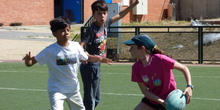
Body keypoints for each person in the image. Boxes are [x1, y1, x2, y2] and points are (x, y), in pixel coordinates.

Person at [22, 17, 108, 110]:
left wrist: (99, 58)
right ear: (54, 33)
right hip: (57, 89)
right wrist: (27, 60)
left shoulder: (76, 46)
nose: (66, 33)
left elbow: (87, 58)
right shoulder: (50, 50)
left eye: (68, 30)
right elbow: (30, 63)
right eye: (62, 31)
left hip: (73, 90)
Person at [79, 0, 139, 109]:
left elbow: (121, 14)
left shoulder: (105, 24)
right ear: (93, 15)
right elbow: (81, 45)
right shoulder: (91, 30)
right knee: (90, 100)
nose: (102, 16)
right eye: (99, 13)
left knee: (96, 99)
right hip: (89, 66)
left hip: (97, 65)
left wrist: (134, 4)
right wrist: (85, 54)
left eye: (104, 13)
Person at [123, 34, 193, 110]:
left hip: (170, 100)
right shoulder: (136, 68)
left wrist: (189, 86)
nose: (130, 50)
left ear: (142, 48)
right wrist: (160, 101)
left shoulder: (160, 59)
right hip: (153, 99)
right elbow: (145, 91)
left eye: (132, 47)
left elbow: (184, 68)